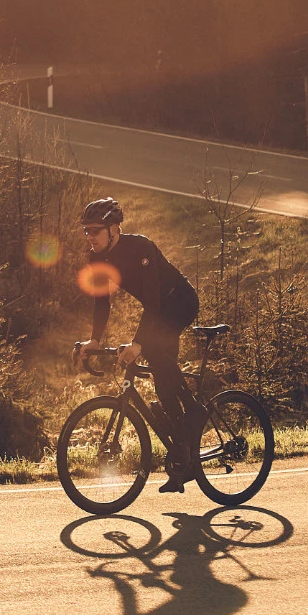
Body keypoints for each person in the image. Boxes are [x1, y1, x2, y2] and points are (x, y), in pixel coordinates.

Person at [77, 197, 202, 492]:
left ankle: (195, 411)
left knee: (153, 351)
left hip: (179, 302)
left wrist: (137, 343)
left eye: (96, 230)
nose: (90, 236)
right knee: (163, 385)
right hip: (158, 309)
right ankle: (184, 458)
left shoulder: (140, 248)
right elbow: (101, 302)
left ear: (114, 229)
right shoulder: (97, 258)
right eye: (86, 231)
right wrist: (95, 339)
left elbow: (154, 303)